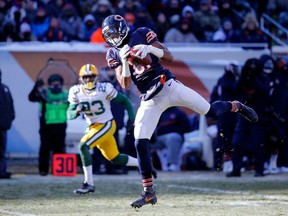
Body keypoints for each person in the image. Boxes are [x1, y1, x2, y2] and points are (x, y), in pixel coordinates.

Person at [101, 14, 258, 208]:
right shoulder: (113, 54)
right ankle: (148, 192)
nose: (114, 37)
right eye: (110, 34)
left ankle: (236, 106)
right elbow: (124, 84)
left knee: (210, 111)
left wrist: (149, 48)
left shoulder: (141, 34)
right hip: (150, 98)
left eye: (116, 32)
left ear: (124, 28)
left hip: (168, 85)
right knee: (139, 141)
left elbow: (169, 56)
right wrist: (125, 62)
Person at [67, 64, 154, 194]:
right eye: (85, 77)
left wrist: (131, 118)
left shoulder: (104, 88)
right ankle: (146, 164)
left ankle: (88, 183)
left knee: (83, 146)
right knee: (115, 158)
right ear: (81, 79)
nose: (88, 80)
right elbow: (69, 113)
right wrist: (77, 111)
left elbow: (124, 100)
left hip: (106, 124)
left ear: (96, 77)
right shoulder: (76, 91)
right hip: (92, 127)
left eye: (91, 77)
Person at [28, 73, 69, 176]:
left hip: (61, 125)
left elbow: (77, 103)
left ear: (61, 84)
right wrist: (36, 86)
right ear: (49, 84)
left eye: (58, 84)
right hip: (46, 126)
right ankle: (43, 170)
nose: (55, 86)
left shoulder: (66, 95)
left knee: (59, 148)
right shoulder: (44, 94)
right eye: (53, 84)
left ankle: (58, 170)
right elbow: (31, 98)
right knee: (45, 148)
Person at [152, 106, 191, 171]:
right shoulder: (160, 112)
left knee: (173, 137)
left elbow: (186, 128)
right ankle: (143, 165)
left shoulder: (179, 112)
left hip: (175, 138)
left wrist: (168, 129)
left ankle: (173, 164)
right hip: (159, 139)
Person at [0, 69, 15, 179]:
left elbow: (10, 106)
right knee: (1, 150)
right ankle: (2, 171)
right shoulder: (5, 88)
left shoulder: (5, 88)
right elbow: (11, 107)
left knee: (2, 150)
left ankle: (2, 171)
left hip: (3, 125)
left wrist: (9, 119)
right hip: (3, 125)